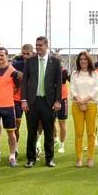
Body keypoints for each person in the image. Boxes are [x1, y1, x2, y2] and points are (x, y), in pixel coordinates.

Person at [21, 36, 63, 168]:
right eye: (36, 45)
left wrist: (58, 101)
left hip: (48, 102)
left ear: (46, 45)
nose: (38, 47)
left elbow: (59, 83)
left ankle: (49, 159)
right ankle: (30, 159)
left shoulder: (55, 61)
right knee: (32, 132)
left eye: (40, 45)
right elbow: (24, 82)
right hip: (32, 102)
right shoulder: (30, 61)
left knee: (49, 132)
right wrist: (24, 100)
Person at [70, 51, 98, 167]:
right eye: (81, 59)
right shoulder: (74, 73)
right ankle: (78, 158)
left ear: (89, 60)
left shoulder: (94, 74)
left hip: (91, 105)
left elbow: (96, 89)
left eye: (85, 59)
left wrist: (85, 100)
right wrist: (79, 101)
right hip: (77, 105)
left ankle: (90, 158)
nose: (83, 61)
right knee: (78, 133)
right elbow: (72, 88)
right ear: (78, 61)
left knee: (91, 132)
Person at [11, 44, 33, 158]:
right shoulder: (16, 64)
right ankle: (15, 149)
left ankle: (35, 148)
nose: (25, 56)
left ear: (32, 52)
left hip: (32, 99)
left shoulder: (37, 64)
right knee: (16, 126)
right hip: (17, 99)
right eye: (23, 53)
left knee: (33, 126)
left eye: (27, 54)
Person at [55, 65, 70, 154]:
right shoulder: (48, 70)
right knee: (50, 121)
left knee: (62, 123)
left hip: (62, 99)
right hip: (51, 100)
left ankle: (62, 145)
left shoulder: (64, 71)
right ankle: (55, 139)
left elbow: (72, 80)